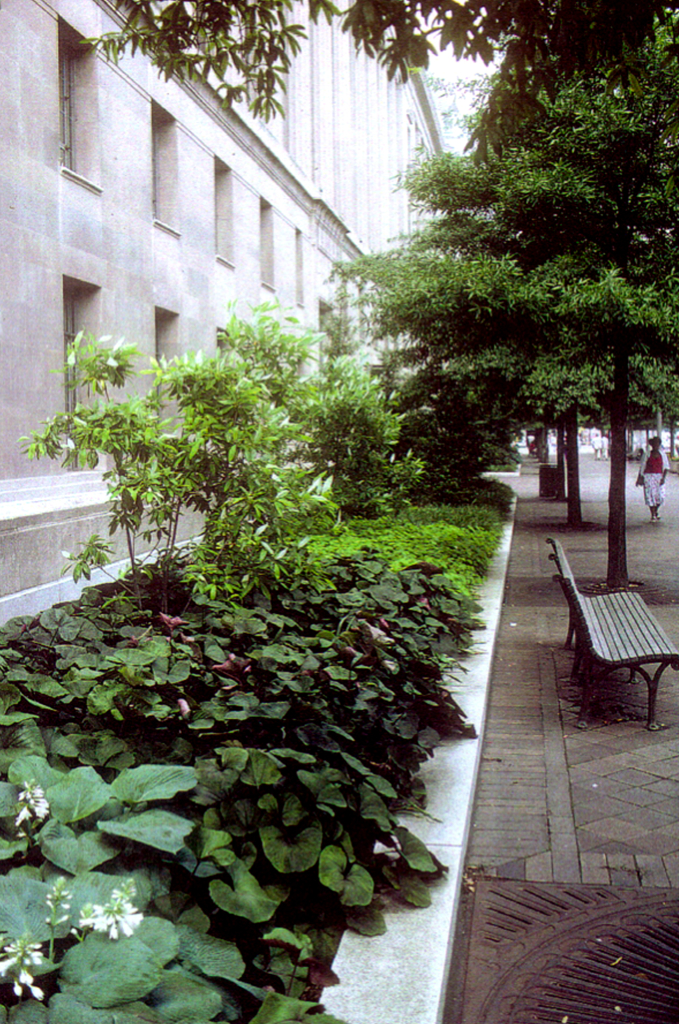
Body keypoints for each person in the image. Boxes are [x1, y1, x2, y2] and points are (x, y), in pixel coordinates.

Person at [637, 436, 670, 522]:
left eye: (657, 444)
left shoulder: (663, 455)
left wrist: (663, 478)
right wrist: (640, 477)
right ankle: (653, 514)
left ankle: (656, 511)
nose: (655, 445)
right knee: (650, 495)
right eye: (654, 444)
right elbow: (642, 466)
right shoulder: (647, 454)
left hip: (659, 476)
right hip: (648, 476)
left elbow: (666, 467)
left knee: (660, 496)